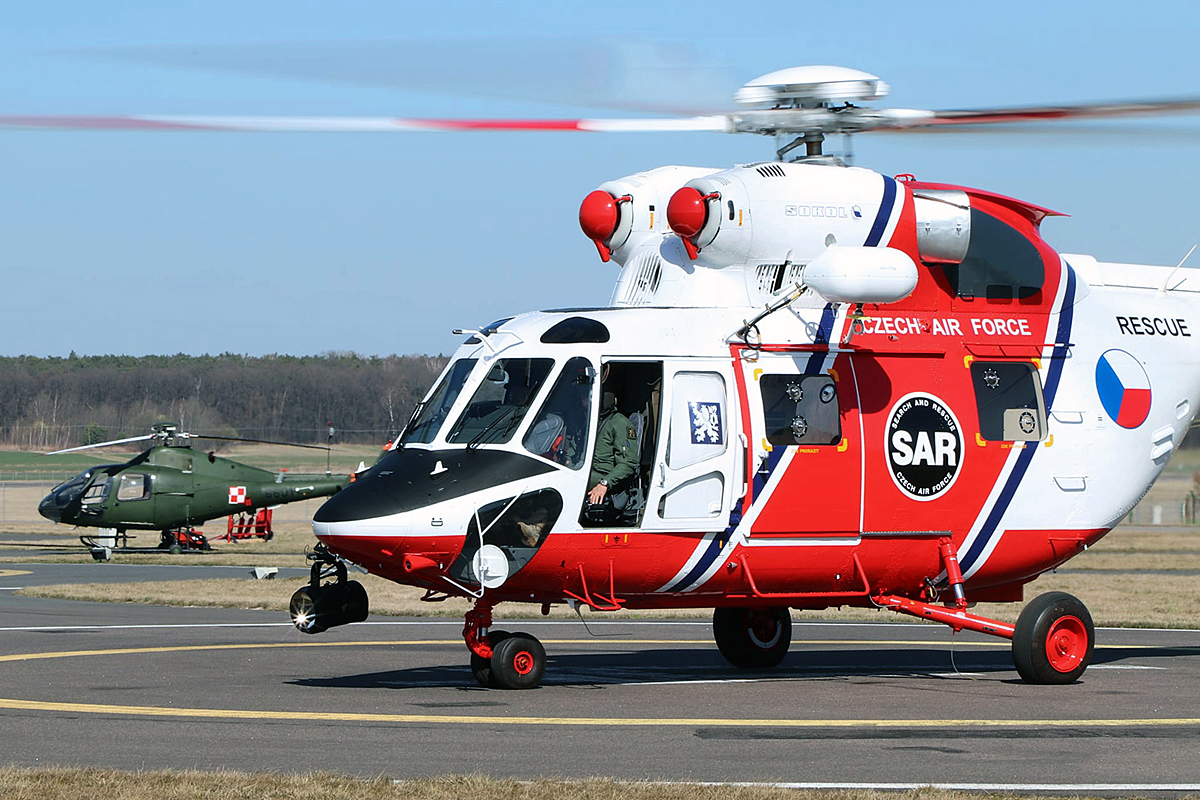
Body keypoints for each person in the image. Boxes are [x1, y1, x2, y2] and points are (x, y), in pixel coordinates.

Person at [586, 388, 639, 511]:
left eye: (586, 399)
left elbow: (629, 463)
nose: (584, 402)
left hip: (603, 475)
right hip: (586, 470)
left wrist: (605, 483)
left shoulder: (619, 423)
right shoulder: (591, 421)